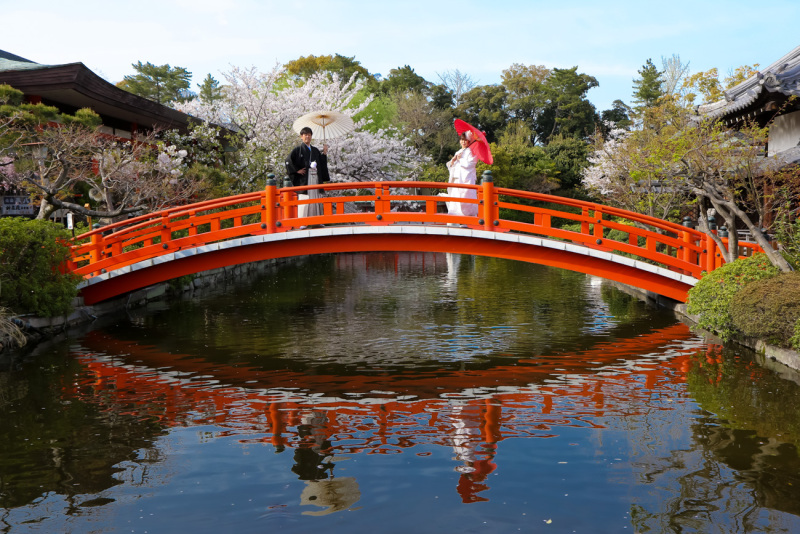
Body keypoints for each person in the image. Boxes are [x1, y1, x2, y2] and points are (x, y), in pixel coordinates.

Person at [285, 127, 330, 222]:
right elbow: (288, 161)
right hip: (305, 179)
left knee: (316, 198)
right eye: (305, 135)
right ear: (301, 136)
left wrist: (324, 153)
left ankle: (317, 221)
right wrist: (297, 170)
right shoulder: (298, 150)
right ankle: (303, 222)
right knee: (304, 199)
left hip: (315, 178)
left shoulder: (315, 150)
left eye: (309, 135)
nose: (307, 137)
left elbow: (321, 164)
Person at [445, 131, 479, 218]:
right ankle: (455, 218)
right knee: (455, 199)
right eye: (462, 140)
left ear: (469, 141)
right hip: (457, 179)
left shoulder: (472, 152)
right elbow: (452, 166)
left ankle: (468, 218)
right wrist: (452, 162)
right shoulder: (458, 151)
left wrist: (460, 160)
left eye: (465, 140)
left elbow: (471, 164)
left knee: (466, 199)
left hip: (466, 179)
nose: (463, 142)